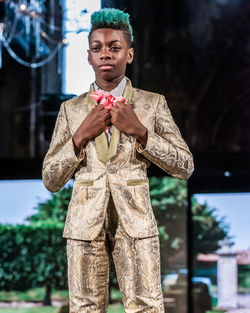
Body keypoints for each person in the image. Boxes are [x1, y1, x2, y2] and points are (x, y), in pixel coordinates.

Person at [42, 8, 194, 313]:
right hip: (84, 224)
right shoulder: (70, 110)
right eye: (97, 48)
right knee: (84, 308)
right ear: (88, 57)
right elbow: (50, 178)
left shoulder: (152, 104)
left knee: (147, 307)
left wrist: (140, 132)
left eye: (115, 47)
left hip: (136, 221)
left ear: (130, 54)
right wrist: (80, 135)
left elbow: (184, 165)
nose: (105, 54)